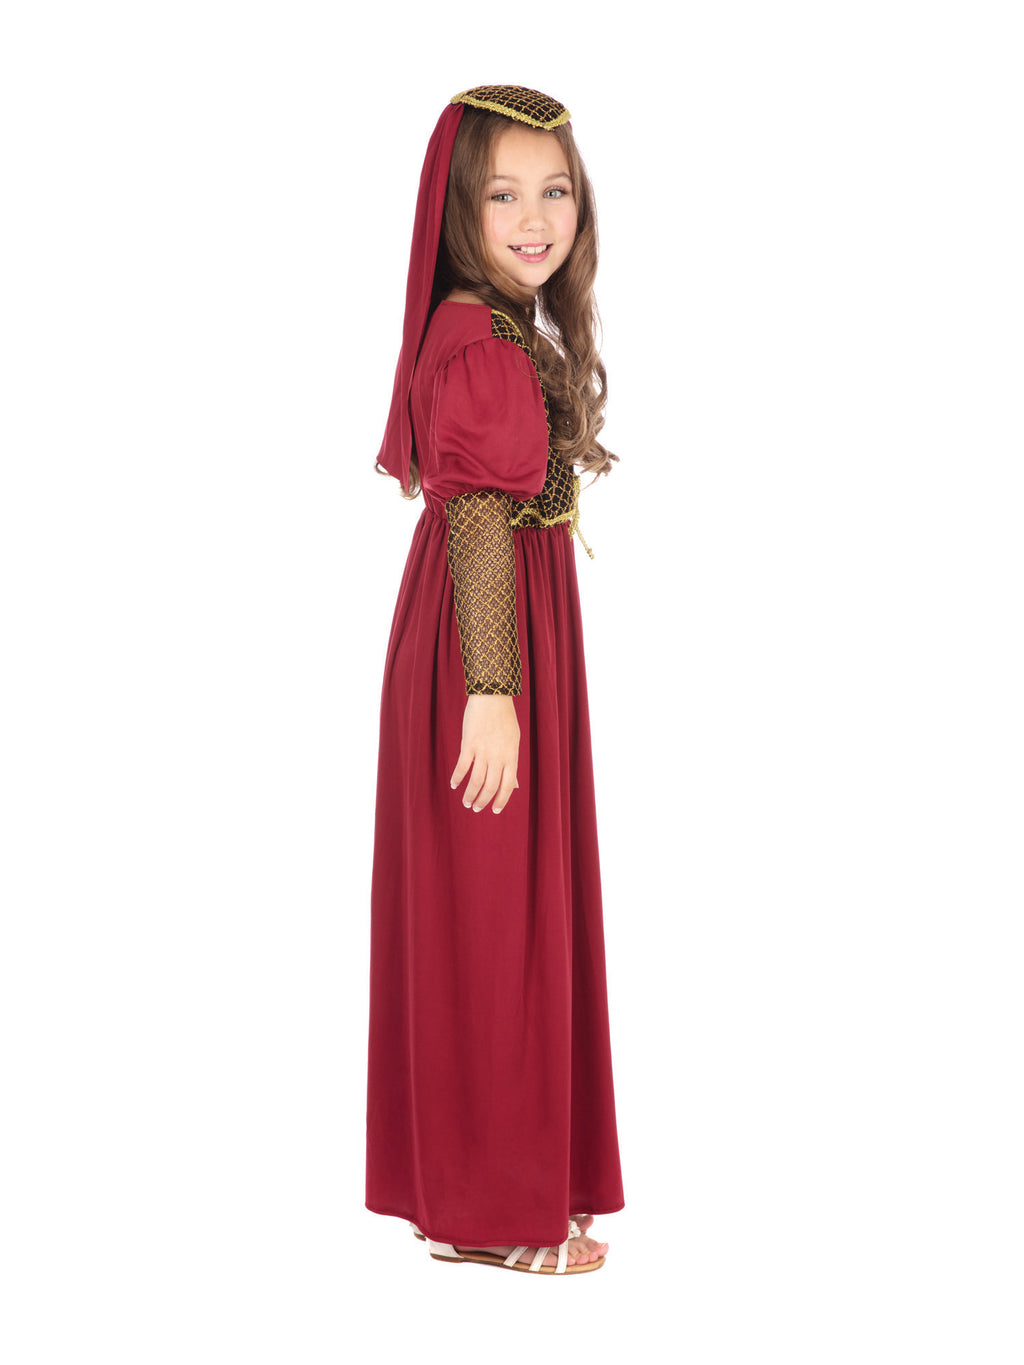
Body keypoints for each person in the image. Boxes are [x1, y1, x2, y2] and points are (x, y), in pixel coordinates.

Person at [366, 85, 624, 1276]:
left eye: (553, 190)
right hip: (487, 646)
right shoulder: (478, 337)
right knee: (491, 918)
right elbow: (476, 515)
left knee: (496, 909)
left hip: (503, 637)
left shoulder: (499, 325)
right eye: (501, 194)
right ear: (458, 210)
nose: (533, 219)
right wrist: (492, 690)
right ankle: (490, 1214)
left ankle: (489, 1191)